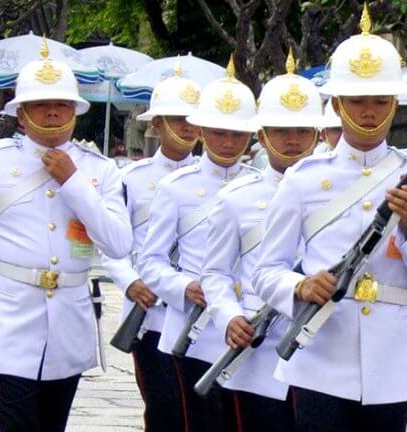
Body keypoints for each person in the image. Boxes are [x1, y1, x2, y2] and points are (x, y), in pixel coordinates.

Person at [252, 6, 407, 432]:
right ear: (337, 103)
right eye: (357, 101)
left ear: (395, 104)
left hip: (389, 364)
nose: (369, 112)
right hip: (320, 355)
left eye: (380, 101)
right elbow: (266, 272)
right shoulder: (303, 180)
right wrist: (300, 285)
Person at [0, 43, 132, 432]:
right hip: (8, 323)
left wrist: (74, 182)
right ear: (22, 114)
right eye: (41, 104)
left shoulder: (98, 170)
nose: (52, 112)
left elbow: (117, 243)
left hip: (68, 324)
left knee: (51, 425)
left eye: (62, 105)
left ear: (75, 113)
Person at [201, 49, 323, 432]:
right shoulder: (234, 199)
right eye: (281, 131)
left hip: (323, 351)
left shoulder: (336, 191)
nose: (292, 140)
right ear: (261, 134)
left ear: (319, 134)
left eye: (302, 130)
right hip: (257, 350)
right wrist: (229, 316)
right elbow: (215, 274)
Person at [137, 56, 258, 432]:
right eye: (219, 132)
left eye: (237, 134)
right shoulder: (175, 188)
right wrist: (184, 287)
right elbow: (151, 261)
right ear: (201, 130)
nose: (227, 142)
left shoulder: (261, 187)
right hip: (194, 328)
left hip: (246, 323)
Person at [100, 64, 201, 432]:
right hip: (152, 312)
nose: (187, 126)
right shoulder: (131, 180)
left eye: (193, 118)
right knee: (163, 408)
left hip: (199, 310)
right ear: (156, 124)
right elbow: (109, 243)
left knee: (202, 409)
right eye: (177, 118)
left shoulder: (213, 179)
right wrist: (130, 282)